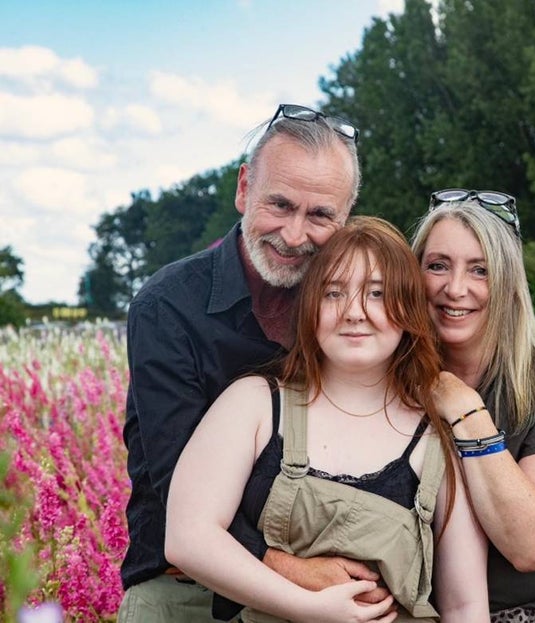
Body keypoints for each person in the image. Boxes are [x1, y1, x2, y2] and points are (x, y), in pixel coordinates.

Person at [118, 104, 389, 622]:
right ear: (244, 189)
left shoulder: (352, 310)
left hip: (332, 589)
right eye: (280, 205)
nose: (293, 235)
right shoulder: (169, 306)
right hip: (188, 593)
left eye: (320, 216)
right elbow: (174, 482)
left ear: (345, 218)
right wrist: (293, 569)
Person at [164, 216, 490, 622]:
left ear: (408, 309)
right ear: (309, 308)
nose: (354, 312)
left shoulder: (436, 440)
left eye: (377, 294)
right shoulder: (255, 404)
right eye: (334, 293)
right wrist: (311, 608)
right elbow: (187, 538)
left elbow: (466, 606)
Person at [411, 190, 535, 622]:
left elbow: (531, 547)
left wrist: (463, 407)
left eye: (480, 270)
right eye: (438, 266)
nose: (455, 288)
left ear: (507, 283)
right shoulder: (381, 381)